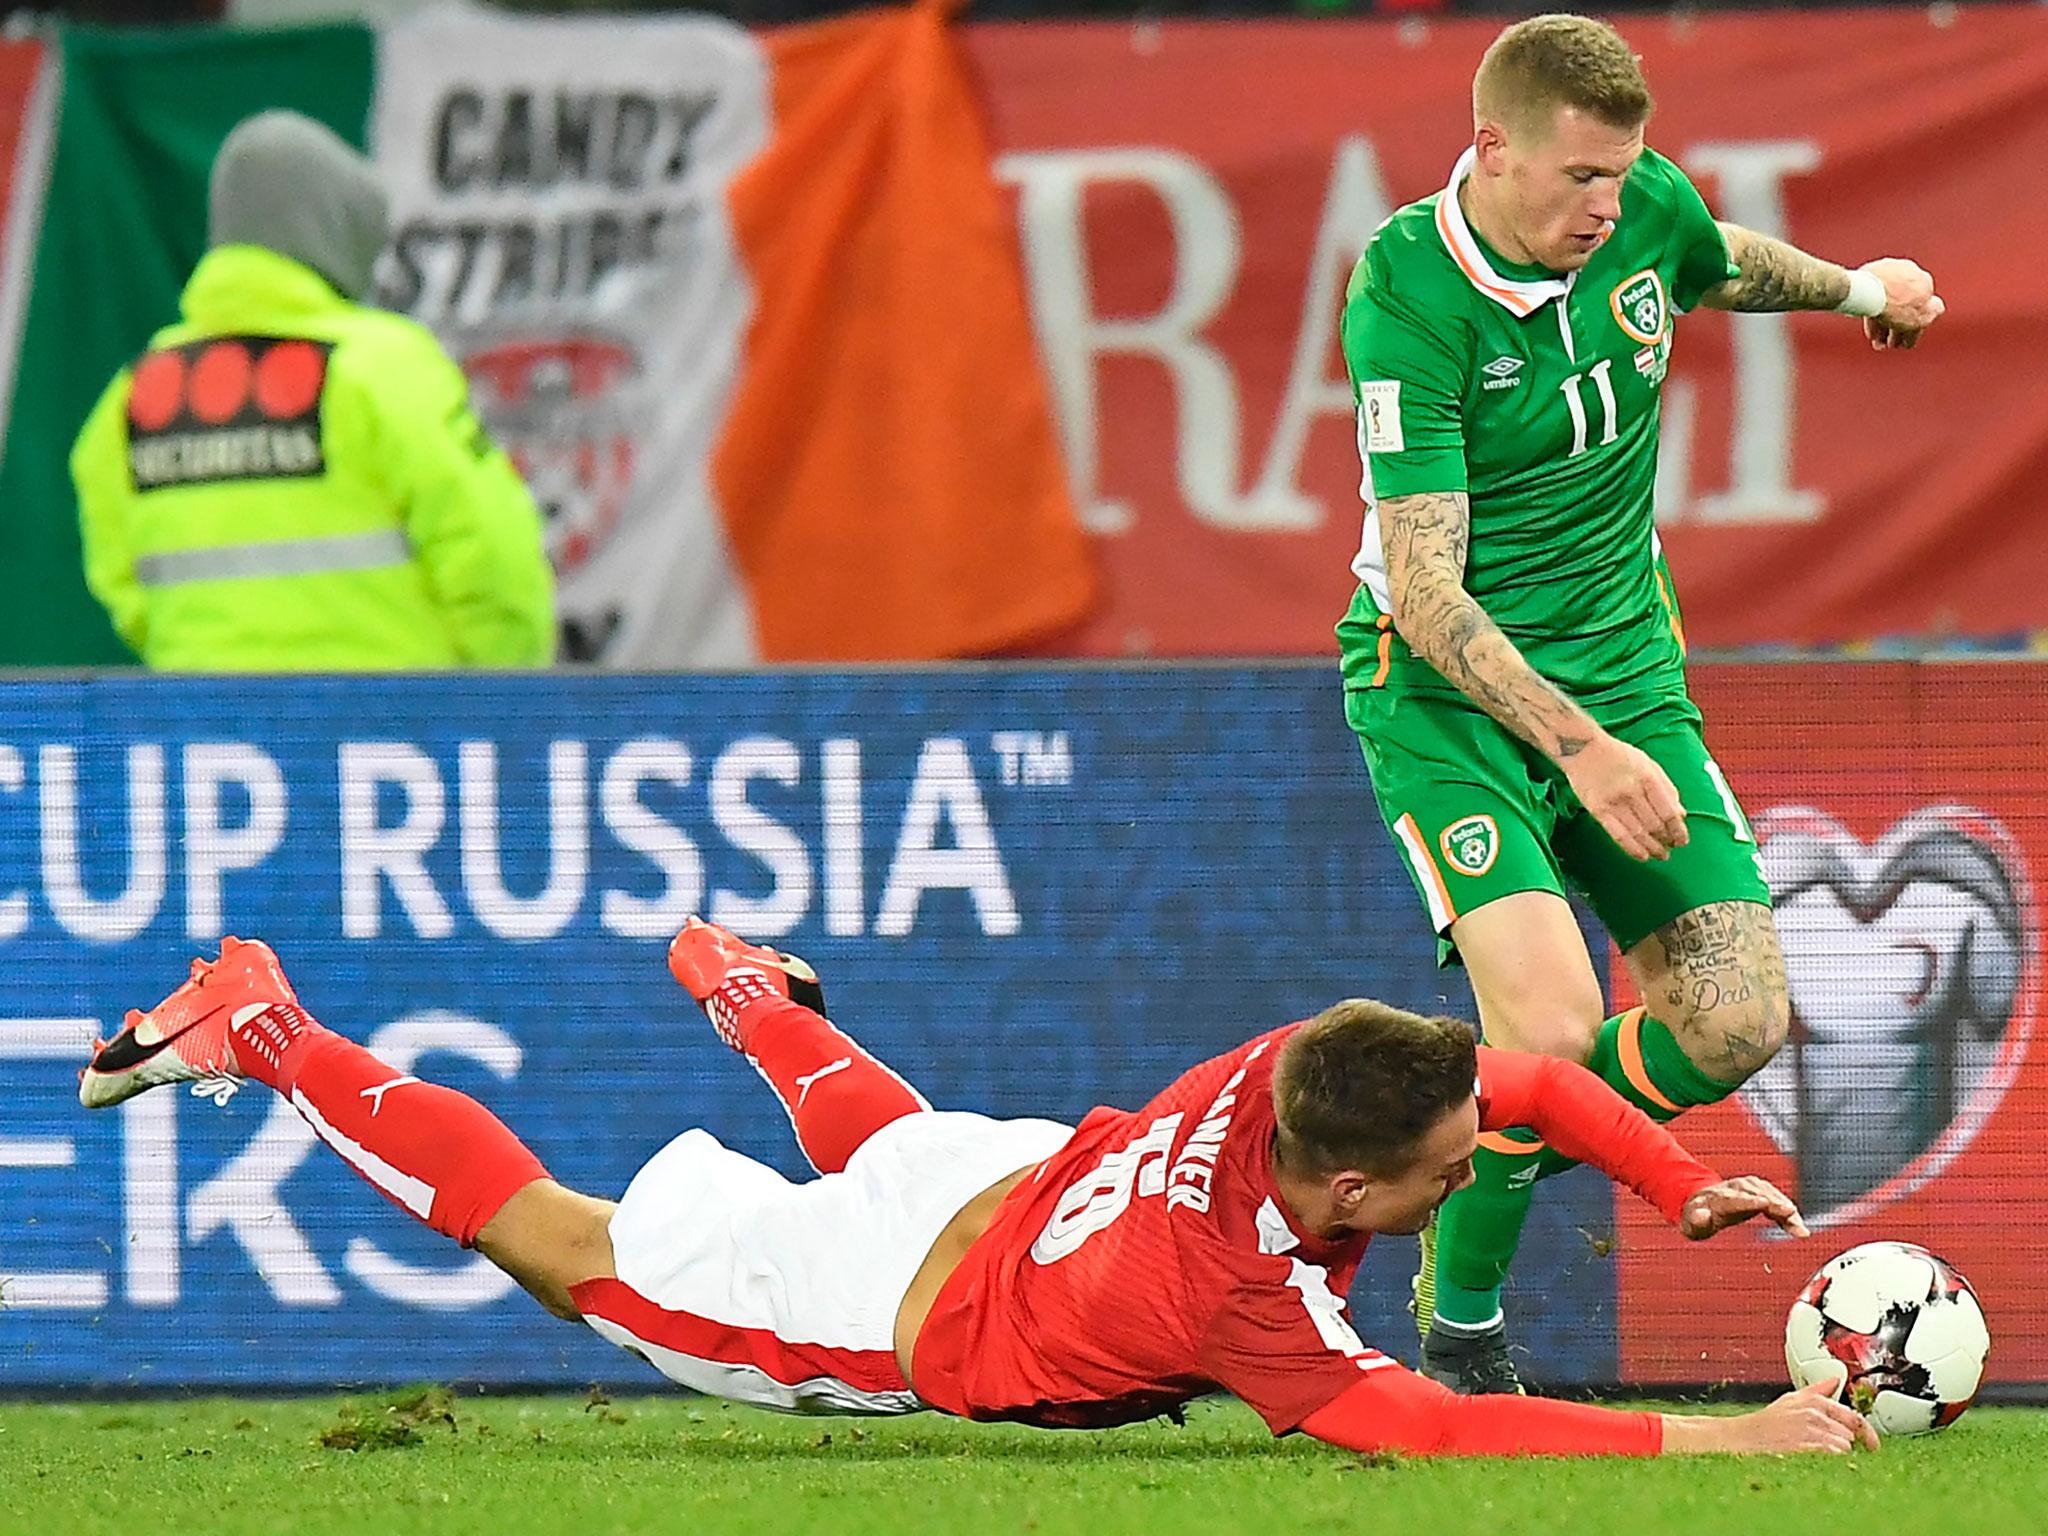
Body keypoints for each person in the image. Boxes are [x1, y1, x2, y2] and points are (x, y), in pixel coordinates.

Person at [77, 918, 1874, 1457]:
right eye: (1441, 1171)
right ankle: (271, 1032)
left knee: (890, 1141)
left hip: (1021, 1181)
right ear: (1338, 1174)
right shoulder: (1234, 1304)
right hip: (904, 1306)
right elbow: (1424, 1425)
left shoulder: (1296, 1056)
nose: (1474, 1162)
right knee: (571, 1253)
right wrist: (1726, 1444)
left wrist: (1667, 1177)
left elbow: (1534, 1075)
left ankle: (745, 993)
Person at [1334, 14, 1944, 1391]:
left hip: (1629, 678)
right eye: (1580, 182)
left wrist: (1863, 290)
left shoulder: (1640, 209)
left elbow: (1724, 262)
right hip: (1449, 700)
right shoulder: (1407, 293)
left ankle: (1488, 1126)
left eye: (1624, 176)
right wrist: (1583, 749)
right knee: (1546, 1032)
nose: (1609, 210)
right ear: (1493, 149)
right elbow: (1425, 598)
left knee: (1736, 1025)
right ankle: (1464, 1320)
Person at [69, 110, 555, 671]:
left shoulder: (135, 393)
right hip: (394, 733)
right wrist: (501, 698)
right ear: (336, 230)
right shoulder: (381, 366)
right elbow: (492, 553)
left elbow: (122, 579)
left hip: (211, 736)